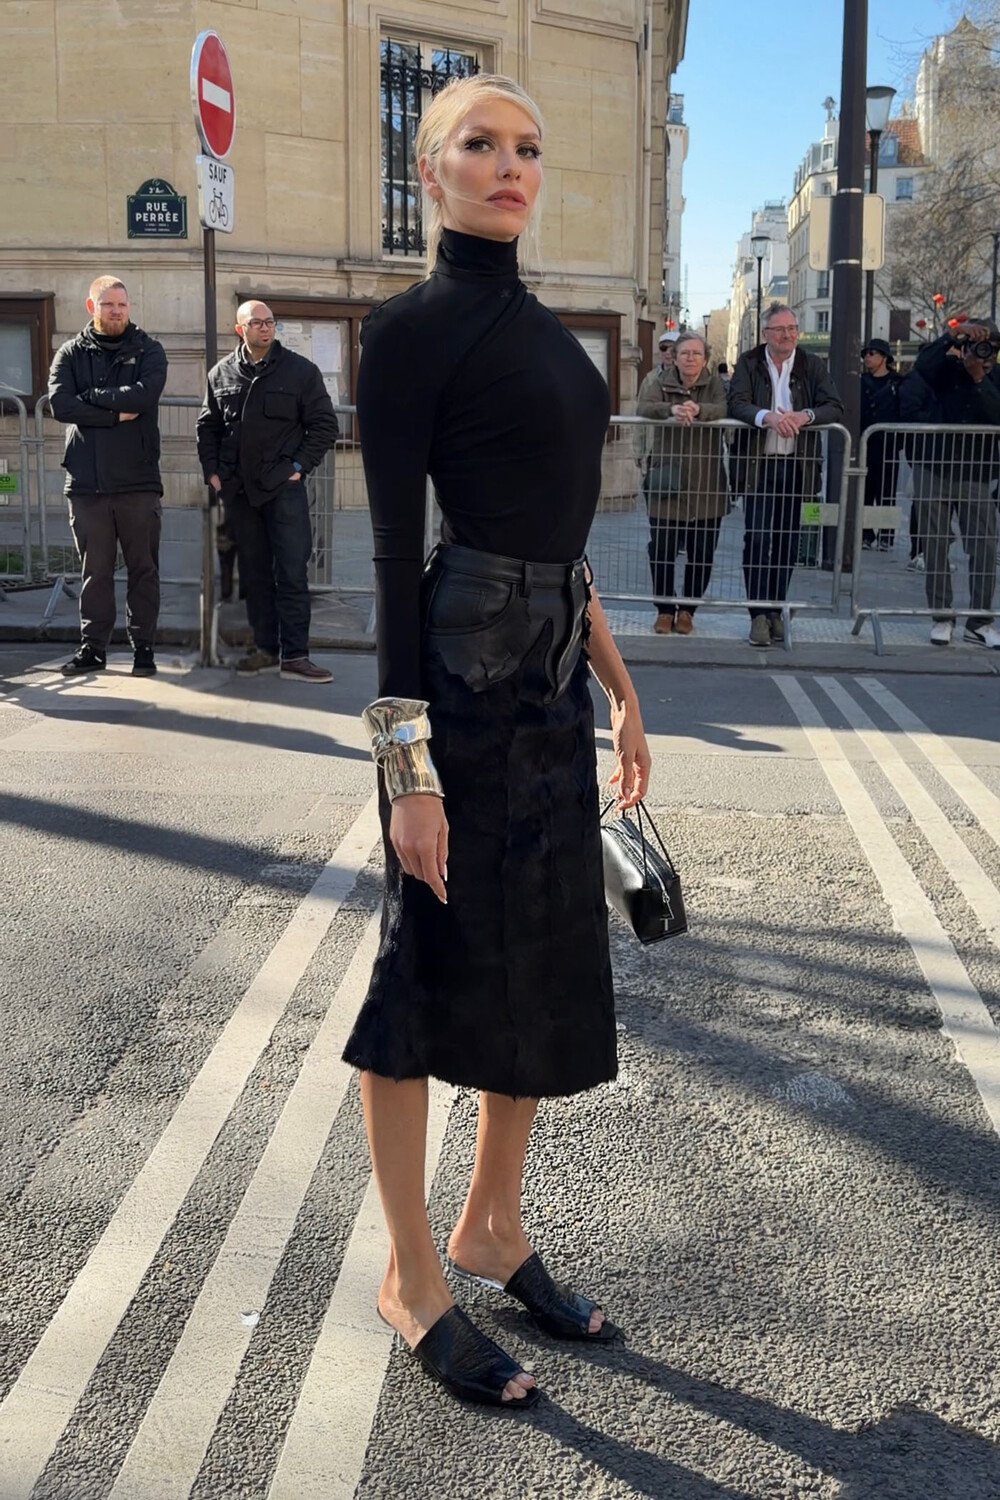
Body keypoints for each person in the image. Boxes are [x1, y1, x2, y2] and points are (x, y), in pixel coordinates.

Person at [343, 74, 651, 1411]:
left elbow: (562, 548)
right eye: (480, 143)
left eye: (527, 145)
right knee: (423, 975)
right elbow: (389, 557)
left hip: (550, 690)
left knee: (539, 964)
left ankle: (491, 1227)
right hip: (456, 695)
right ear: (431, 172)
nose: (510, 164)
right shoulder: (407, 330)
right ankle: (412, 1274)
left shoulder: (551, 332)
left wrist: (622, 689)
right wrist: (405, 773)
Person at [196, 301, 340, 681]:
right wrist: (213, 474)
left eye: (270, 322)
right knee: (255, 575)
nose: (265, 328)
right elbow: (207, 427)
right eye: (256, 322)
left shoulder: (300, 372)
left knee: (291, 573)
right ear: (240, 329)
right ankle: (264, 650)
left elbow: (325, 426)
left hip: (282, 491)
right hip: (240, 493)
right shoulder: (221, 374)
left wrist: (297, 467)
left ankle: (295, 656)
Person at [48, 276, 167, 677]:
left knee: (143, 570)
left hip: (138, 481)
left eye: (122, 304)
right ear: (91, 307)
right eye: (107, 304)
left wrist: (93, 397)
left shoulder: (149, 350)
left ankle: (143, 649)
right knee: (95, 572)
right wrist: (115, 415)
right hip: (87, 483)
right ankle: (93, 647)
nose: (116, 311)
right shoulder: (70, 353)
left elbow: (144, 396)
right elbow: (61, 405)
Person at [728, 304, 844, 646]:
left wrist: (804, 416)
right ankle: (757, 614)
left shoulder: (811, 364)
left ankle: (775, 609)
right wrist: (769, 417)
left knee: (787, 542)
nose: (788, 335)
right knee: (758, 539)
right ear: (766, 333)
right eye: (780, 329)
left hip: (798, 466)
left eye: (792, 328)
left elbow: (834, 405)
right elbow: (737, 402)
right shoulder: (749, 362)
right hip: (759, 465)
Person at [913, 320, 1000, 648]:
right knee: (935, 545)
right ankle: (941, 616)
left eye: (991, 349)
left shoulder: (995, 377)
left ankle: (980, 620)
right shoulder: (945, 370)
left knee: (984, 546)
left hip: (976, 472)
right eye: (978, 346)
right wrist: (951, 334)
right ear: (963, 348)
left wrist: (979, 378)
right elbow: (923, 366)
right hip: (934, 468)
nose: (984, 354)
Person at [636, 331, 728, 634]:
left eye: (696, 354)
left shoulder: (714, 384)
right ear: (674, 358)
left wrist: (698, 410)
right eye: (685, 353)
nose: (690, 359)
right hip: (668, 480)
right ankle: (664, 609)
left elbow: (724, 408)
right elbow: (644, 407)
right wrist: (672, 409)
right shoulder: (660, 382)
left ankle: (688, 610)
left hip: (706, 483)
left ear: (705, 359)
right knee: (661, 550)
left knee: (702, 553)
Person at [860, 339, 903, 551]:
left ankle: (886, 536)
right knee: (866, 490)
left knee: (887, 491)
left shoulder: (897, 382)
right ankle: (866, 534)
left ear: (884, 357)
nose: (867, 357)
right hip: (866, 443)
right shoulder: (861, 381)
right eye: (865, 354)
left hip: (888, 443)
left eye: (872, 353)